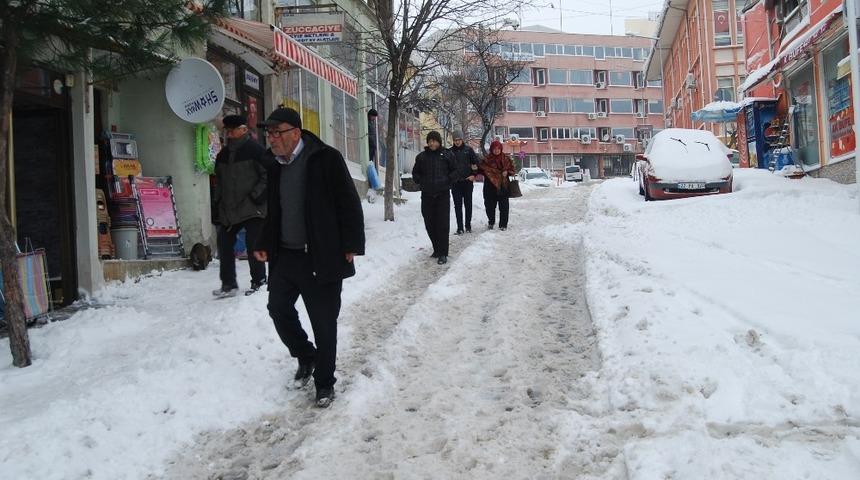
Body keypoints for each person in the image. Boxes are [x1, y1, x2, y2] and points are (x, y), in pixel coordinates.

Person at [252, 107, 365, 408]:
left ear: (295, 133)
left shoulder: (325, 159)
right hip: (286, 256)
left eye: (277, 133)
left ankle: (325, 383)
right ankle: (305, 354)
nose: (272, 139)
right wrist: (264, 240)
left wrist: (352, 243)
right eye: (269, 134)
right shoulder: (274, 165)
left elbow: (348, 202)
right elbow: (275, 209)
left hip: (321, 256)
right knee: (278, 308)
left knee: (324, 323)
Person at [212, 114, 268, 298]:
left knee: (254, 244)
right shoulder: (223, 155)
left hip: (252, 207)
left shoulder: (256, 150)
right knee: (224, 242)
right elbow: (219, 182)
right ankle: (228, 284)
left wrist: (256, 197)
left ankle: (259, 280)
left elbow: (267, 176)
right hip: (229, 209)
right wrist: (217, 205)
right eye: (227, 130)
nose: (229, 134)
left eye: (233, 130)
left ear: (244, 129)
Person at [412, 130, 458, 264]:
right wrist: (420, 180)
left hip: (442, 194)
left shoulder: (447, 155)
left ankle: (443, 253)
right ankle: (436, 248)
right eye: (430, 141)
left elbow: (455, 171)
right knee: (429, 223)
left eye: (434, 140)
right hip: (427, 195)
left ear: (439, 142)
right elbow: (415, 173)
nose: (432, 143)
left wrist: (448, 180)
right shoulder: (421, 157)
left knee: (442, 224)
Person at [479, 140, 516, 231]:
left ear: (501, 149)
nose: (496, 150)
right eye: (494, 149)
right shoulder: (486, 159)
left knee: (504, 207)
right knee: (489, 206)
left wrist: (507, 172)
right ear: (491, 149)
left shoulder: (506, 158)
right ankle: (491, 221)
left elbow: (513, 170)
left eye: (498, 148)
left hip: (503, 185)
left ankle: (503, 225)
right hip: (489, 186)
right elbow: (481, 170)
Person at [449, 131, 479, 234]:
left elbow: (475, 163)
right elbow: (447, 168)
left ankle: (468, 226)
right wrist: (450, 178)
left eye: (459, 140)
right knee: (457, 206)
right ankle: (460, 228)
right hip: (456, 183)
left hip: (467, 182)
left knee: (468, 204)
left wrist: (474, 175)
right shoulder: (450, 152)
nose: (457, 142)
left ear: (462, 140)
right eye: (455, 140)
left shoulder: (469, 150)